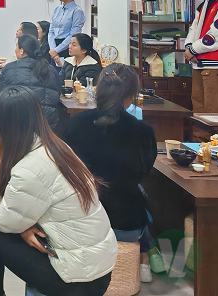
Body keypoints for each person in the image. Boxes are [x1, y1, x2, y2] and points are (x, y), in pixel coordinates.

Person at [0, 87, 116, 296]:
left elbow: (2, 222)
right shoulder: (56, 147)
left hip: (76, 279)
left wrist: (0, 165)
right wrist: (22, 229)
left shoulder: (30, 169)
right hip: (90, 264)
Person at [63, 64, 157, 283]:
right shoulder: (143, 131)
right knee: (141, 195)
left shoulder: (74, 124)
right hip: (126, 225)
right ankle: (145, 256)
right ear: (131, 96)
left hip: (79, 220)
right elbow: (145, 171)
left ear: (98, 90)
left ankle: (146, 256)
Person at [185, 0, 218, 138]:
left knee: (214, 112)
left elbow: (217, 34)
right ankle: (200, 147)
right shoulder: (207, 2)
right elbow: (194, 27)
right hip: (199, 63)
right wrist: (189, 46)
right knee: (198, 111)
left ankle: (216, 148)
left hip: (216, 66)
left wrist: (194, 49)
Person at [0, 35, 62, 129]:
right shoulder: (50, 69)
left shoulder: (9, 68)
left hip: (15, 123)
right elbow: (57, 93)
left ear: (22, 50)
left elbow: (1, 93)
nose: (15, 50)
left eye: (16, 47)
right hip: (45, 125)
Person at [47, 0, 87, 65]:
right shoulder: (57, 9)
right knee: (53, 72)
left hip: (67, 48)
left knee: (65, 72)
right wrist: (53, 50)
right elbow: (51, 32)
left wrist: (57, 50)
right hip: (53, 48)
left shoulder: (77, 11)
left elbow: (73, 34)